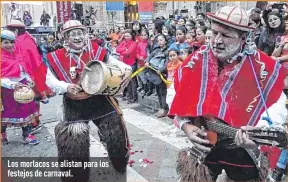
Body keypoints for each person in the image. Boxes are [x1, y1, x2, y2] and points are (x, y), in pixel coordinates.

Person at [169, 6, 287, 182]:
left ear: (243, 38)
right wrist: (186, 125)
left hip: (241, 150)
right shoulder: (197, 60)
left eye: (225, 35)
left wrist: (257, 134)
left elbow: (277, 103)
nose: (216, 40)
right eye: (214, 32)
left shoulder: (261, 66)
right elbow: (174, 92)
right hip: (206, 141)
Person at [35, 20, 132, 182]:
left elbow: (119, 65)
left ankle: (120, 165)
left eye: (80, 33)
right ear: (65, 38)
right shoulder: (54, 57)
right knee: (73, 148)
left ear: (85, 35)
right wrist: (66, 87)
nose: (78, 37)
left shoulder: (98, 51)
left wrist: (127, 70)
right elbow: (49, 80)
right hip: (74, 105)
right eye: (73, 34)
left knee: (116, 137)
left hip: (101, 101)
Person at [1, 30, 40, 145]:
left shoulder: (17, 54)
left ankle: (27, 135)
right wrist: (12, 84)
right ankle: (2, 135)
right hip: (6, 91)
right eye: (6, 42)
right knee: (4, 115)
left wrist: (28, 79)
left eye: (12, 42)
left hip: (22, 88)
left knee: (26, 112)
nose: (9, 45)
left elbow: (23, 70)